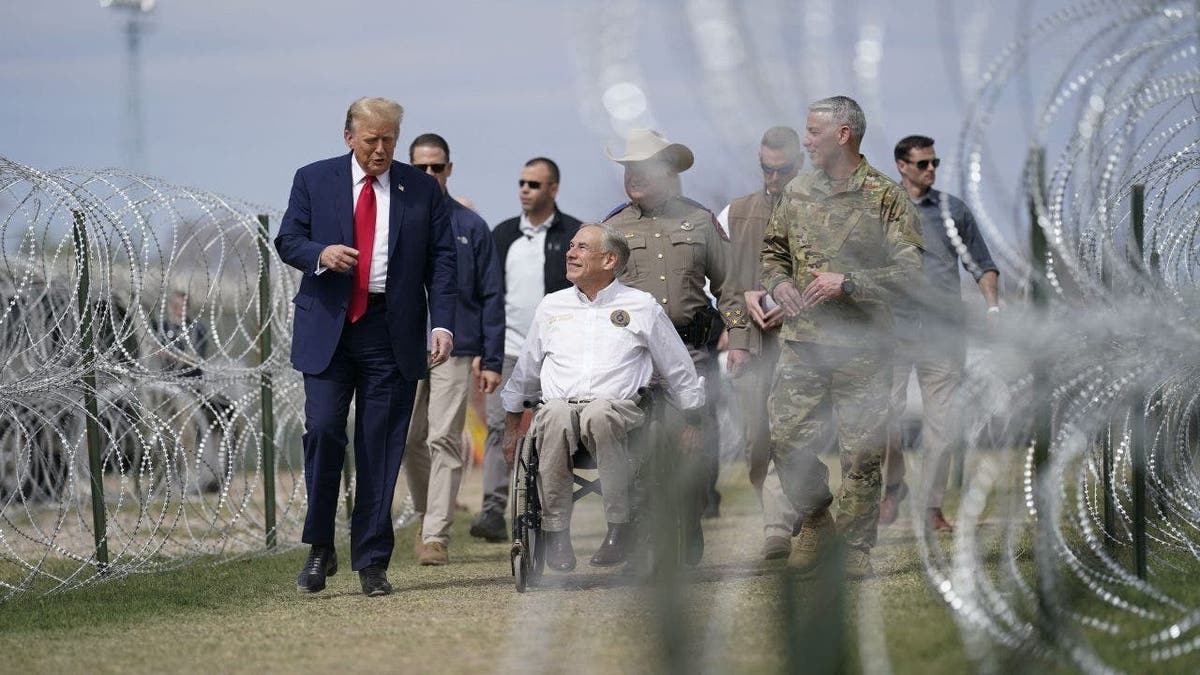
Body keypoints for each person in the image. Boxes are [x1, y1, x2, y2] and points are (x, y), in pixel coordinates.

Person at [274, 97, 458, 597]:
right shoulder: (314, 179)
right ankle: (319, 548)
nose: (380, 149)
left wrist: (442, 323)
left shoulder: (420, 189)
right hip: (330, 328)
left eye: (389, 140)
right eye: (371, 139)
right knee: (325, 432)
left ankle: (372, 561)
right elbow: (287, 238)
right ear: (349, 136)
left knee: (380, 445)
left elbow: (442, 261)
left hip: (389, 330)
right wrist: (320, 253)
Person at [761, 96, 923, 579]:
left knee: (862, 454)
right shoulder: (797, 192)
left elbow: (912, 271)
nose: (805, 140)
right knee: (785, 440)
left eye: (812, 132)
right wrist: (780, 283)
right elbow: (773, 252)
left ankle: (854, 549)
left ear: (843, 135)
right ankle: (815, 518)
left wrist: (848, 282)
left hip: (863, 348)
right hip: (803, 344)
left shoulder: (885, 196)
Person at [500, 223, 704, 571]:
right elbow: (526, 371)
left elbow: (678, 367)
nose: (570, 252)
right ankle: (557, 533)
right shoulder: (552, 306)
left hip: (619, 412)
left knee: (597, 413)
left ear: (609, 260)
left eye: (581, 247)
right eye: (572, 246)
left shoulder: (641, 305)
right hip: (559, 411)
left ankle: (619, 528)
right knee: (555, 415)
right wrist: (510, 425)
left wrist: (693, 419)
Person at [602, 128, 750, 565]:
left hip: (692, 350)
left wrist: (739, 339)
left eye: (641, 169)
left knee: (693, 447)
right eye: (627, 169)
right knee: (638, 447)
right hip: (634, 357)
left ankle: (689, 521)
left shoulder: (702, 221)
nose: (633, 177)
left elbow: (732, 288)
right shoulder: (611, 228)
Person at [879, 134, 1000, 533]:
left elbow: (981, 264)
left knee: (942, 429)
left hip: (944, 335)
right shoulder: (879, 208)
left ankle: (931, 508)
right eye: (923, 164)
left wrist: (994, 307)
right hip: (892, 333)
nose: (931, 170)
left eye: (935, 163)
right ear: (902, 166)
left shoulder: (952, 211)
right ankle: (893, 487)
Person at [402, 133, 504, 566]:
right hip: (401, 345)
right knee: (407, 440)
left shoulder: (470, 226)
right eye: (420, 167)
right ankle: (429, 513)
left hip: (456, 348)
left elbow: (491, 294)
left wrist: (490, 355)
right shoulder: (396, 221)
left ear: (449, 168)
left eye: (437, 167)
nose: (429, 174)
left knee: (443, 436)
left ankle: (435, 536)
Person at [469, 158, 582, 543]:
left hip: (561, 353)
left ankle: (550, 513)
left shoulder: (574, 234)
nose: (525, 190)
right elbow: (487, 296)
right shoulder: (501, 236)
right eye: (521, 182)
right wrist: (485, 351)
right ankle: (492, 510)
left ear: (553, 189)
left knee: (555, 430)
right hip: (510, 350)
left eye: (534, 184)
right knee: (502, 425)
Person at [715, 126, 803, 562]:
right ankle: (792, 506)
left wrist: (796, 301)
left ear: (800, 162)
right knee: (756, 443)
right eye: (765, 169)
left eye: (781, 170)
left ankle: (778, 525)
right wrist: (737, 333)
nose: (772, 179)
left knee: (794, 435)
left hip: (805, 344)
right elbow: (727, 287)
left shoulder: (821, 210)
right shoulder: (736, 213)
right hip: (752, 343)